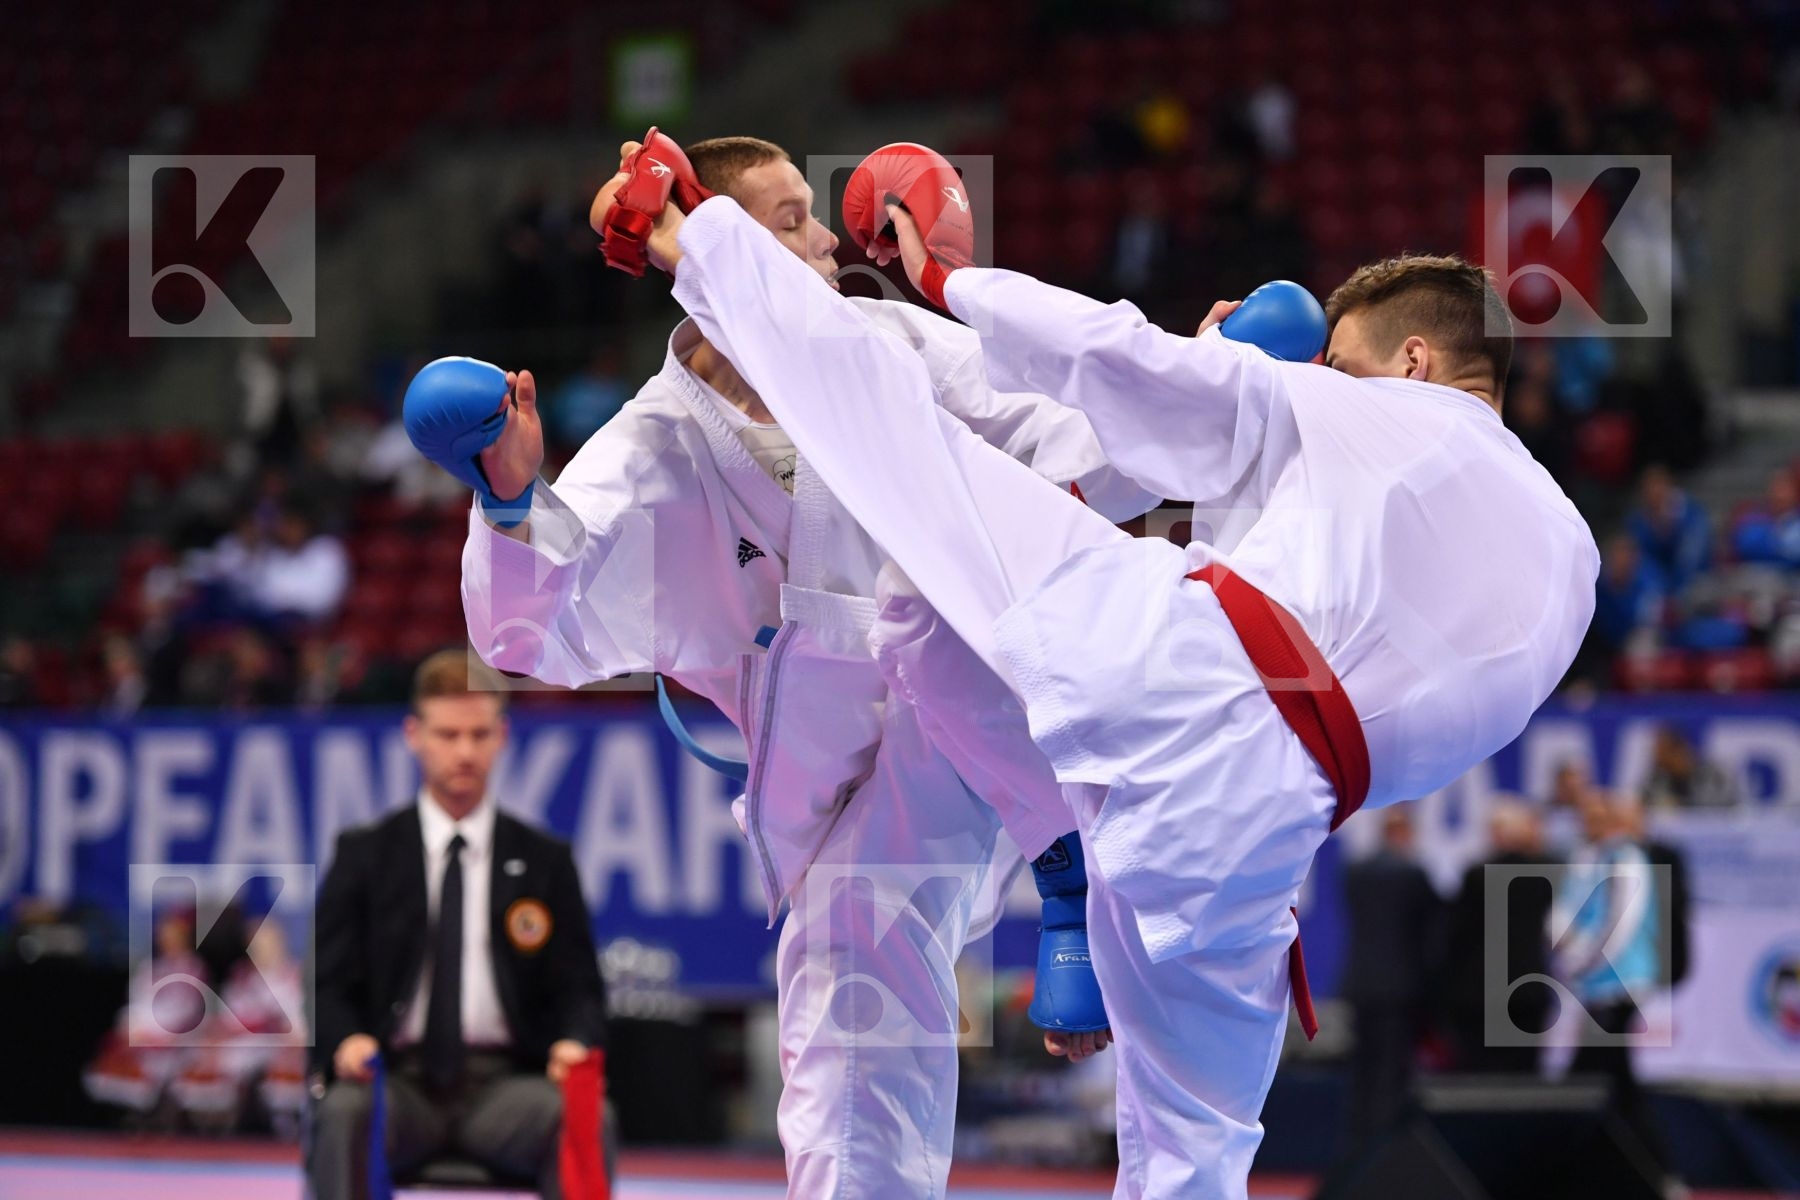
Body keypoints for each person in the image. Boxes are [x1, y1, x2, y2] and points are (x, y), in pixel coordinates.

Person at [624, 151, 1598, 1198]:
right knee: (1198, 1151)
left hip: (1175, 671)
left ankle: (702, 240)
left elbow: (1119, 363)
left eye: (1340, 364)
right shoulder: (1572, 563)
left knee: (912, 530)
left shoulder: (1367, 412)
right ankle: (1073, 862)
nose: (1322, 380)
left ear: (1411, 362)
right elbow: (1353, 615)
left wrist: (955, 285)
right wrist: (1244, 393)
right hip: (1266, 838)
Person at [441, 137, 1157, 1199]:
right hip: (830, 798)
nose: (827, 238)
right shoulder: (655, 453)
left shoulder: (885, 346)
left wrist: (1196, 381)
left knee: (934, 593)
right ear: (708, 249)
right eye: (787, 220)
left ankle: (1070, 869)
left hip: (993, 736)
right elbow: (523, 638)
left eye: (811, 213)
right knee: (843, 1036)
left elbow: (1066, 435)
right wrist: (509, 500)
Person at [309, 651, 607, 1200]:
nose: (464, 752)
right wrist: (347, 1040)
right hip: (396, 1084)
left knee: (582, 1114)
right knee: (345, 1110)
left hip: (504, 1089)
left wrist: (573, 1040)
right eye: (447, 735)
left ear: (502, 737)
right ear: (413, 734)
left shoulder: (544, 861)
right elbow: (328, 984)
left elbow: (580, 988)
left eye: (478, 734)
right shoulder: (364, 856)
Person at [1557, 792, 1663, 1165]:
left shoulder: (1626, 858)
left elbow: (1619, 925)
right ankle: (1638, 1159)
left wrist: (1585, 964)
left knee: (1598, 1073)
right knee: (1611, 1073)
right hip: (1605, 983)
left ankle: (1645, 1159)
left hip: (1619, 983)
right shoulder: (1601, 858)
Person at [1340, 807, 1440, 1149]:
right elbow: (1431, 933)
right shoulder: (1413, 874)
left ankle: (1359, 1148)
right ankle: (1383, 1151)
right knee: (1391, 1073)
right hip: (1399, 991)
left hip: (1361, 987)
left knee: (1364, 1072)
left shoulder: (1355, 872)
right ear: (1406, 833)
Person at [1442, 800, 1557, 1073]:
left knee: (1480, 1078)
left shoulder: (1477, 876)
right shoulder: (1544, 874)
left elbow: (1457, 936)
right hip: (1528, 991)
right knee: (1524, 1079)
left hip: (1480, 993)